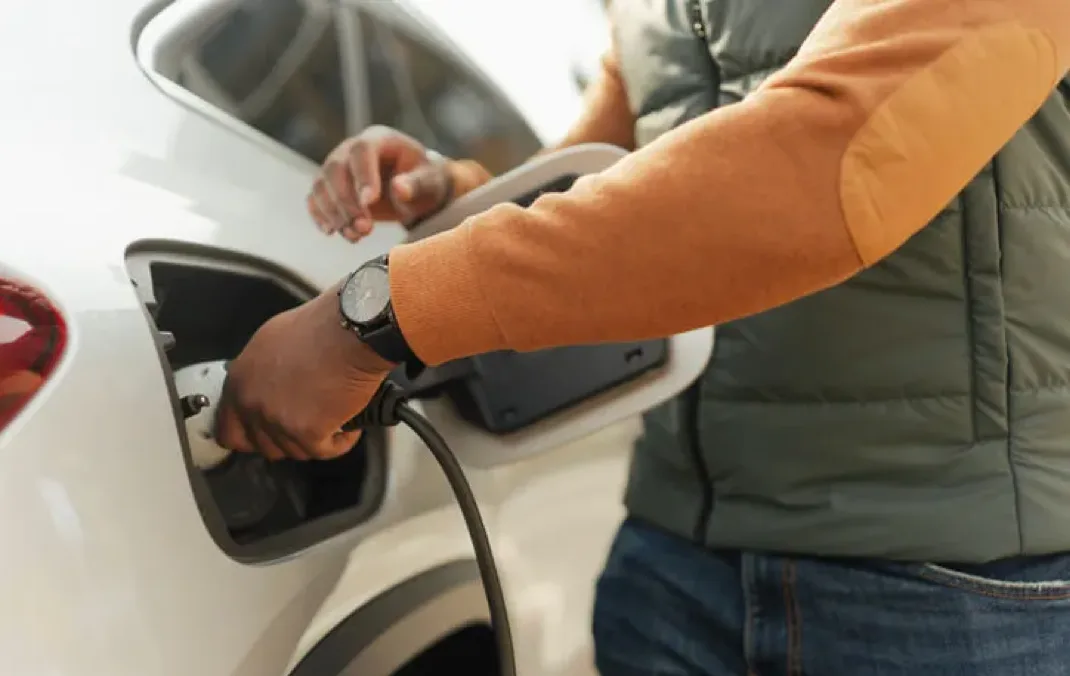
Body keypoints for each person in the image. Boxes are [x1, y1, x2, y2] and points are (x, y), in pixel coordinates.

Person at [215, 0, 1070, 673]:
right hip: (673, 561)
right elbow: (621, 178)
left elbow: (825, 166)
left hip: (951, 588)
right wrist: (459, 197)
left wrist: (374, 313)